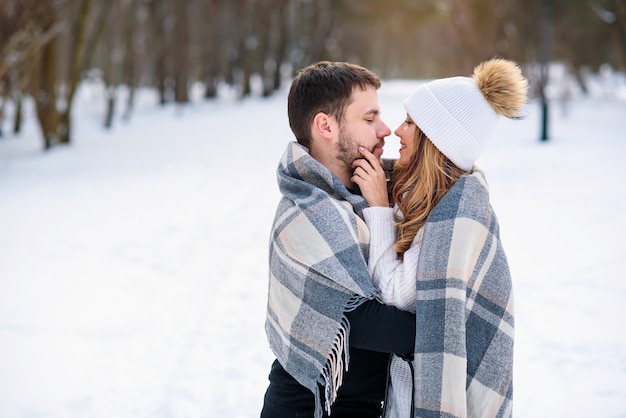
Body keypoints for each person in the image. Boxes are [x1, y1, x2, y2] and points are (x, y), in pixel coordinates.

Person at [352, 58, 528, 417]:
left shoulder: (455, 214)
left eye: (410, 123)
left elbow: (396, 295)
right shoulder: (431, 199)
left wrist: (379, 209)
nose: (397, 132)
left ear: (436, 140)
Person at [261, 61, 418, 418]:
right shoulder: (303, 214)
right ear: (325, 126)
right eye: (369, 118)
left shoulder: (375, 196)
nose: (385, 130)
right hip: (310, 408)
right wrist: (451, 324)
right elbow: (365, 322)